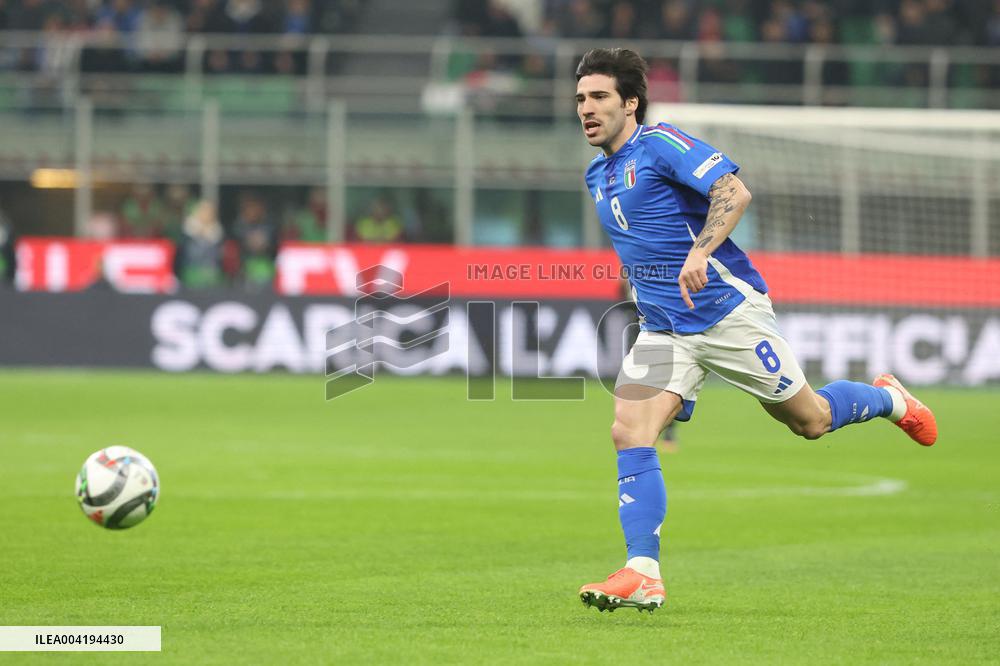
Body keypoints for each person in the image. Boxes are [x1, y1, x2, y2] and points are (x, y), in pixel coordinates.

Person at [573, 48, 937, 614]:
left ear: (630, 102)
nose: (586, 108)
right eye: (580, 99)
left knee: (810, 421)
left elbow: (733, 191)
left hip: (724, 313)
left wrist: (700, 251)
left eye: (598, 97)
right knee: (628, 430)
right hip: (666, 328)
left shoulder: (662, 142)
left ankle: (890, 398)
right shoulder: (598, 173)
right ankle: (643, 570)